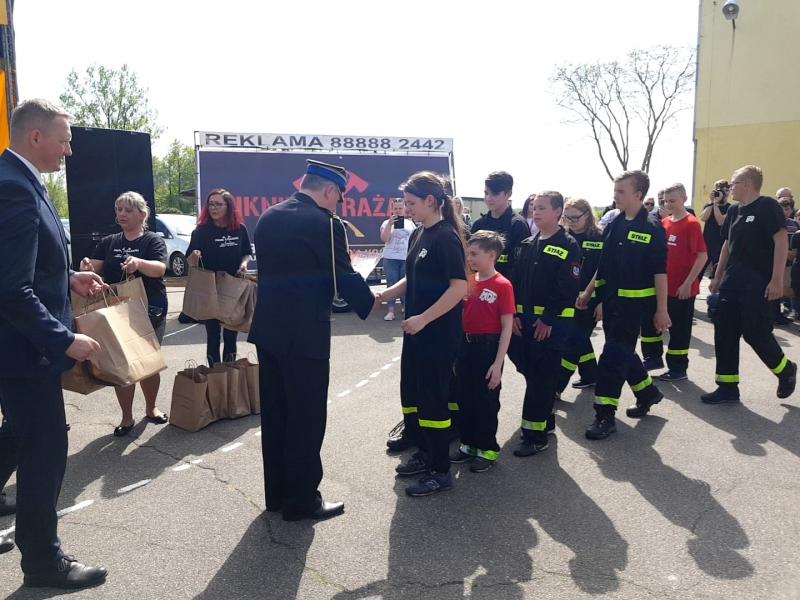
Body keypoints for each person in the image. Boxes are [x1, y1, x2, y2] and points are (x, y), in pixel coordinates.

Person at [0, 99, 107, 588]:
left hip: (17, 348)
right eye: (64, 139)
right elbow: (11, 289)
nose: (70, 149)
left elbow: (22, 267)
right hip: (24, 352)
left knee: (16, 438)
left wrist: (67, 277)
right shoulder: (14, 189)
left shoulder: (18, 181)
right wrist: (65, 339)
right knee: (45, 450)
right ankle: (44, 562)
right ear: (35, 137)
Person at [248, 159, 375, 521]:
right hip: (305, 335)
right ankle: (302, 502)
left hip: (269, 331)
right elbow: (343, 275)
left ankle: (276, 496)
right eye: (339, 198)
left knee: (276, 416)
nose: (338, 205)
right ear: (330, 191)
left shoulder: (270, 215)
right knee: (305, 419)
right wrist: (371, 302)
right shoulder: (325, 223)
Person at [380, 171, 467, 496]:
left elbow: (459, 288)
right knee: (415, 393)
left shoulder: (446, 237)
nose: (407, 208)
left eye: (412, 203)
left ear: (431, 201)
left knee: (433, 400)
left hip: (437, 334)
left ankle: (440, 469)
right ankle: (424, 450)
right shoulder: (420, 234)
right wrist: (383, 296)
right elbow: (411, 280)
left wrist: (424, 319)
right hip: (417, 332)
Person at [578, 170, 669, 440]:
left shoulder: (652, 227)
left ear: (638, 195)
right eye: (615, 191)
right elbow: (604, 265)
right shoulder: (616, 222)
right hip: (612, 303)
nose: (615, 196)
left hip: (635, 307)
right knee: (622, 353)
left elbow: (660, 272)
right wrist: (588, 292)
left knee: (611, 358)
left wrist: (662, 310)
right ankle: (648, 393)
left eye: (621, 192)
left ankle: (604, 415)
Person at [703, 165, 797, 404]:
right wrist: (717, 274)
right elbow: (727, 245)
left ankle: (785, 369)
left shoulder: (768, 206)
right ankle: (727, 387)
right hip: (732, 283)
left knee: (756, 333)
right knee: (724, 331)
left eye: (734, 183)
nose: (730, 188)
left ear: (747, 184)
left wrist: (776, 280)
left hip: (758, 284)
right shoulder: (734, 211)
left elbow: (780, 241)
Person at [82, 191, 169, 437]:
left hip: (150, 308)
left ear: (142, 215)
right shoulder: (109, 241)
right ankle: (127, 416)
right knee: (122, 364)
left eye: (128, 210)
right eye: (119, 209)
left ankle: (151, 408)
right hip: (117, 311)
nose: (122, 214)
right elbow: (95, 266)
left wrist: (140, 263)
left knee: (148, 363)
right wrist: (86, 265)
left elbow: (161, 269)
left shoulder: (153, 241)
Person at [511, 191, 581, 455]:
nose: (535, 211)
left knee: (540, 379)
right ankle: (545, 419)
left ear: (557, 211)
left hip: (551, 325)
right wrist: (515, 315)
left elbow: (568, 286)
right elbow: (516, 283)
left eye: (541, 207)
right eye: (533, 207)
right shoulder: (527, 244)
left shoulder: (568, 244)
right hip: (524, 321)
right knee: (533, 373)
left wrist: (548, 319)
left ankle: (535, 436)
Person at [448, 231, 514, 472]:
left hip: (488, 347)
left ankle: (487, 448)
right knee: (465, 397)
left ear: (492, 255)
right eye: (468, 254)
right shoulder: (468, 281)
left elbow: (507, 326)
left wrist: (498, 364)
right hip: (466, 346)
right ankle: (469, 444)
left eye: (475, 254)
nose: (470, 259)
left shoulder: (503, 285)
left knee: (486, 400)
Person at [187, 188, 252, 363]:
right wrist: (194, 256)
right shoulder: (201, 231)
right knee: (213, 336)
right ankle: (215, 376)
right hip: (210, 288)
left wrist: (244, 264)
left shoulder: (239, 229)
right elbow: (190, 261)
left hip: (233, 287)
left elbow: (247, 252)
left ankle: (229, 376)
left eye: (218, 204)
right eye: (210, 204)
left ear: (228, 206)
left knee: (231, 336)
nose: (213, 208)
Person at [658, 183, 708, 381]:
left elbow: (702, 256)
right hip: (665, 287)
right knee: (666, 327)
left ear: (684, 200)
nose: (669, 204)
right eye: (666, 201)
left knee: (680, 330)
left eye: (673, 201)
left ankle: (679, 369)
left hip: (683, 288)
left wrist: (688, 282)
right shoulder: (665, 222)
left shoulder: (692, 223)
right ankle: (659, 361)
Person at [557, 198, 603, 392]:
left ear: (587, 215)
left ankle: (556, 386)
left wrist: (597, 299)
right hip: (568, 300)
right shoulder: (563, 237)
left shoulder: (599, 237)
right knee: (579, 339)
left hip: (590, 300)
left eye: (576, 217)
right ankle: (591, 374)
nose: (571, 221)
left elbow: (603, 270)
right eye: (567, 217)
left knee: (572, 342)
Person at [470, 171, 531, 279]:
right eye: (486, 193)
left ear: (508, 194)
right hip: (478, 288)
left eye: (495, 193)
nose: (489, 198)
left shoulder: (518, 225)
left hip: (506, 290)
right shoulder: (478, 225)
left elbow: (521, 268)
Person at [379, 198, 416, 321]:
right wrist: (390, 224)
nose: (398, 210)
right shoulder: (386, 223)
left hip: (406, 259)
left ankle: (406, 308)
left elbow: (415, 241)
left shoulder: (410, 224)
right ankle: (391, 311)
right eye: (396, 208)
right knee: (391, 284)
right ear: (392, 209)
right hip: (390, 259)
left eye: (400, 208)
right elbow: (384, 239)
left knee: (405, 285)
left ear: (404, 209)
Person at [700, 179, 732, 279]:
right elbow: (703, 218)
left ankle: (715, 294)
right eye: (720, 190)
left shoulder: (730, 208)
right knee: (698, 273)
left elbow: (721, 221)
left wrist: (715, 205)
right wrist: (713, 202)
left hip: (720, 245)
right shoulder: (709, 205)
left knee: (716, 275)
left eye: (725, 190)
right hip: (706, 244)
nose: (722, 193)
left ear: (728, 192)